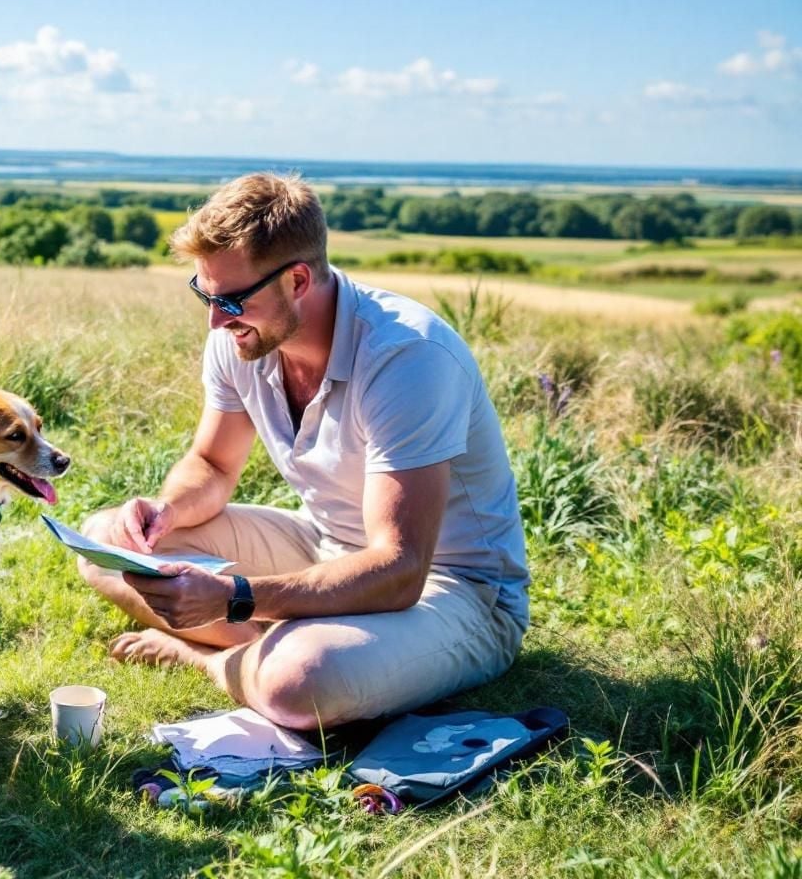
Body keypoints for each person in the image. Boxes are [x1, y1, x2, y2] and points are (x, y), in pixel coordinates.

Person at [77, 173, 529, 730]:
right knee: (107, 544)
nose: (216, 319)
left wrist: (234, 597)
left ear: (297, 280)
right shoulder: (241, 337)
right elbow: (213, 466)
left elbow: (400, 568)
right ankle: (270, 653)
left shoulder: (408, 357)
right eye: (205, 293)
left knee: (299, 681)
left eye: (231, 299)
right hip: (324, 546)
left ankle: (220, 660)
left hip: (454, 588)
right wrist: (167, 509)